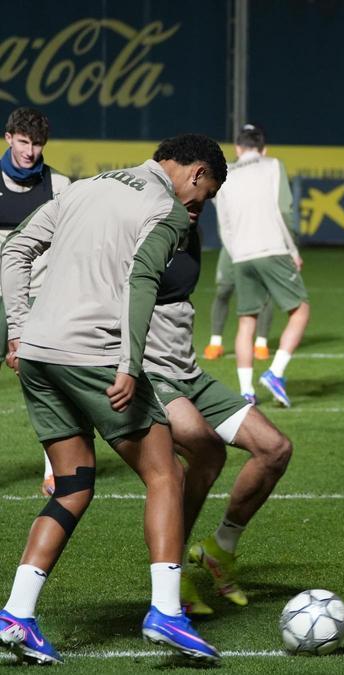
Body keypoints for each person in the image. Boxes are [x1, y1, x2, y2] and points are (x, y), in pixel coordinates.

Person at [0, 134, 227, 664]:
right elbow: (144, 277)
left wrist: (16, 330)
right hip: (94, 355)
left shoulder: (84, 187)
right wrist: (129, 363)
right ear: (195, 173)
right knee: (166, 472)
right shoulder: (165, 208)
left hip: (37, 352)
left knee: (74, 485)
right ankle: (166, 612)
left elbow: (15, 248)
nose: (199, 209)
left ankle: (16, 614)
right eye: (206, 194)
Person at [140, 204, 294, 615]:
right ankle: (173, 579)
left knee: (275, 448)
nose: (197, 208)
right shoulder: (139, 232)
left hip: (188, 372)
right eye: (191, 199)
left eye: (204, 201)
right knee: (205, 449)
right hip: (147, 374)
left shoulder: (193, 235)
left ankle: (219, 549)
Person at [0, 107, 72, 497]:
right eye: (24, 142)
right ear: (9, 138)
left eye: (37, 143)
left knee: (49, 384)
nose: (30, 151)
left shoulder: (59, 185)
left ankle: (54, 471)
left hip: (43, 298)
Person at [215, 123, 309, 407]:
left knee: (246, 320)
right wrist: (292, 249)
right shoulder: (272, 165)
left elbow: (225, 224)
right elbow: (284, 209)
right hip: (272, 248)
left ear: (237, 148)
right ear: (263, 148)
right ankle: (276, 373)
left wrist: (236, 252)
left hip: (240, 254)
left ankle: (246, 392)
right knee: (301, 310)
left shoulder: (225, 175)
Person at [201, 246, 274, 362]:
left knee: (262, 293)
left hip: (258, 247)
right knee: (223, 290)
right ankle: (215, 343)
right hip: (231, 247)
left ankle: (261, 344)